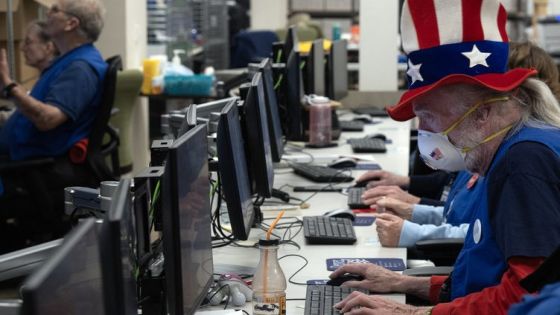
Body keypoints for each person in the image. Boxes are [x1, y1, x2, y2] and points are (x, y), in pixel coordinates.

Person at [331, 1, 560, 314]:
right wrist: (403, 284)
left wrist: (415, 313)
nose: (422, 130)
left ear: (482, 114)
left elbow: (526, 296)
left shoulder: (523, 164)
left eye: (427, 115)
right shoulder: (508, 148)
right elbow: (484, 276)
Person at [0, 20, 59, 125]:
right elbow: (23, 113)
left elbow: (37, 117)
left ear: (48, 47)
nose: (22, 48)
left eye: (28, 42)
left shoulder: (55, 79)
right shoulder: (46, 76)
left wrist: (7, 81)